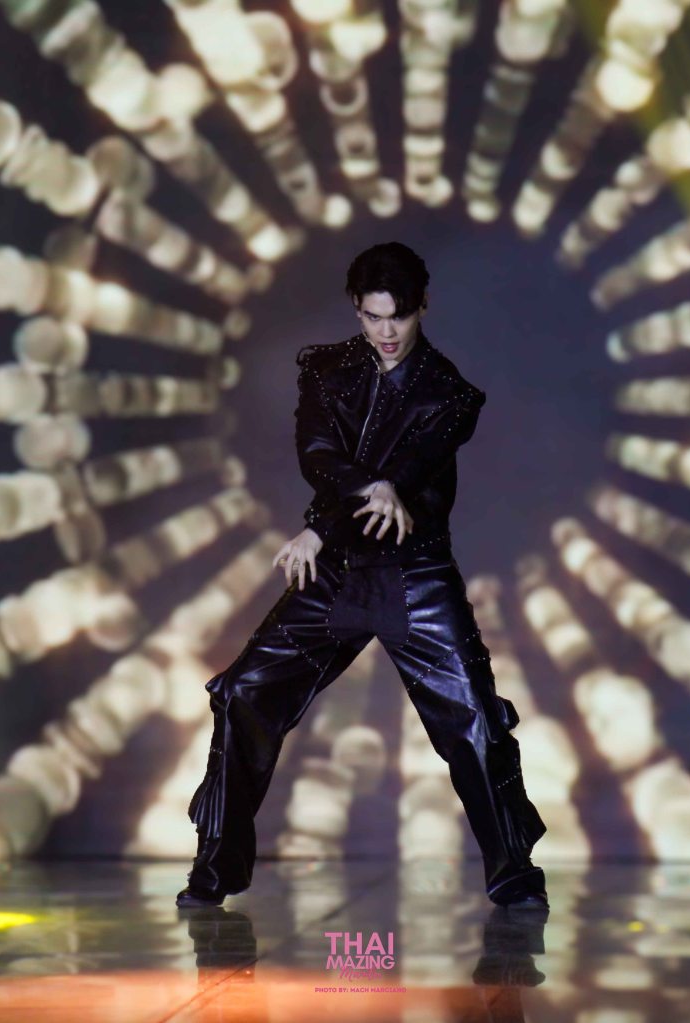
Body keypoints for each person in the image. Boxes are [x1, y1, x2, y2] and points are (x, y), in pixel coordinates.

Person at [176, 241, 549, 911]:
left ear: (421, 307)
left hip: (415, 572)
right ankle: (216, 863)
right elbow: (318, 455)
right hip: (337, 572)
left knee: (474, 718)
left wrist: (334, 518)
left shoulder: (450, 394)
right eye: (373, 316)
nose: (386, 331)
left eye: (397, 316)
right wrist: (354, 504)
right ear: (356, 309)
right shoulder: (325, 370)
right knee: (243, 692)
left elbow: (414, 463)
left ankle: (514, 874)